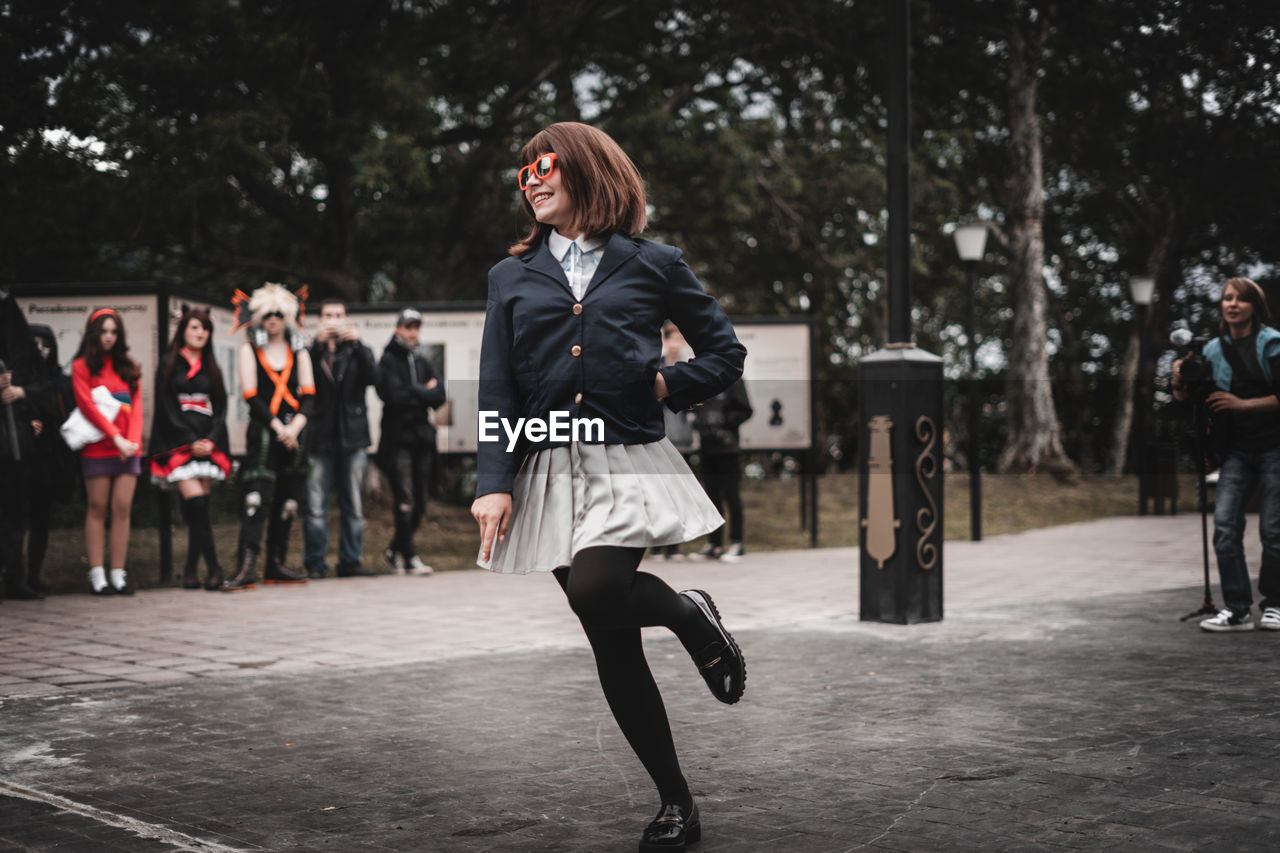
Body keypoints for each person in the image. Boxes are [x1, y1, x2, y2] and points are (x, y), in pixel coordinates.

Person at [471, 121, 748, 851]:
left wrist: (666, 381)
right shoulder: (509, 275)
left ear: (588, 171)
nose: (531, 178)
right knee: (610, 636)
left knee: (598, 589)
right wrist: (493, 481)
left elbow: (725, 352)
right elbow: (497, 385)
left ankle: (689, 615)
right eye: (523, 171)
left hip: (628, 458)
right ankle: (676, 802)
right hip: (546, 465)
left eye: (546, 165)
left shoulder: (654, 262)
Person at [1173, 276, 1280, 632]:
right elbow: (1189, 399)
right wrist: (1178, 380)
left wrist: (1242, 404)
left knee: (1273, 530)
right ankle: (1236, 609)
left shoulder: (1272, 344)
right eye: (1227, 298)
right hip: (1235, 451)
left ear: (1255, 306)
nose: (1232, 304)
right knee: (1225, 528)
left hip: (1274, 448)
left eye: (1241, 299)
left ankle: (1275, 604)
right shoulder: (1211, 350)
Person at [222, 283, 315, 591]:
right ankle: (246, 566)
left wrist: (295, 428)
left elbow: (310, 394)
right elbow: (251, 395)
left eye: (279, 313)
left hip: (294, 434)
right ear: (259, 316)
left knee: (288, 501)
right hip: (264, 433)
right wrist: (278, 428)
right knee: (255, 499)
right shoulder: (250, 349)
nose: (273, 319)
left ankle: (275, 563)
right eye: (268, 314)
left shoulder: (298, 351)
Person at [149, 308, 232, 590]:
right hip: (179, 443)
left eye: (205, 329)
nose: (200, 333)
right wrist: (188, 440)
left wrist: (210, 439)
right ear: (183, 329)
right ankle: (214, 567)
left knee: (200, 510)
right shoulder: (169, 363)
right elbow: (166, 406)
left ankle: (189, 571)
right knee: (196, 504)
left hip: (207, 442)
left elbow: (221, 406)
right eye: (195, 327)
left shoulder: (211, 365)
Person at [304, 298, 379, 579]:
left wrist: (358, 344)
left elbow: (375, 378)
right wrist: (315, 346)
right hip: (319, 438)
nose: (333, 320)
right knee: (314, 506)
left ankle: (350, 562)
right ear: (320, 320)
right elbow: (299, 380)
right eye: (328, 315)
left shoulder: (359, 350)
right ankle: (315, 563)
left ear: (347, 319)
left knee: (354, 506)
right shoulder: (312, 351)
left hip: (353, 439)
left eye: (338, 315)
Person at [70, 308, 143, 596]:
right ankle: (98, 575)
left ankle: (118, 574)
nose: (109, 337)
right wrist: (116, 439)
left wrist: (132, 442)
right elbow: (87, 407)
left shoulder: (129, 367)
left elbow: (136, 409)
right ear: (93, 334)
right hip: (98, 449)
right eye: (104, 331)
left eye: (114, 331)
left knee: (122, 508)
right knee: (98, 507)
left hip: (128, 449)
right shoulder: (81, 367)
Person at [375, 308, 445, 575]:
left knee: (421, 501)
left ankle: (394, 551)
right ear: (398, 329)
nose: (412, 332)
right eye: (408, 326)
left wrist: (418, 392)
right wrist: (422, 391)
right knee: (405, 499)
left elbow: (439, 395)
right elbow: (392, 395)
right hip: (398, 441)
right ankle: (410, 556)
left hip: (422, 440)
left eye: (416, 327)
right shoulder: (387, 360)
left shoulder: (424, 361)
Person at [0, 291, 55, 601]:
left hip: (15, 443)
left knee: (15, 512)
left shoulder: (21, 350)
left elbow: (44, 391)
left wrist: (20, 393)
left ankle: (15, 577)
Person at [25, 324, 78, 596]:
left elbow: (66, 415)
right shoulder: (19, 378)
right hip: (20, 459)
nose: (41, 350)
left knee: (41, 519)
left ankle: (33, 575)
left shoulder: (60, 380)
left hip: (48, 460)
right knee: (14, 518)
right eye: (35, 344)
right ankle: (13, 575)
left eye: (45, 344)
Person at [690, 375, 753, 562]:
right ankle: (715, 544)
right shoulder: (704, 379)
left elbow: (746, 410)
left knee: (731, 496)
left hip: (728, 448)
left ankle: (737, 543)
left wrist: (725, 420)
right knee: (711, 497)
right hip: (707, 448)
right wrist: (697, 420)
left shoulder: (733, 379)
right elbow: (695, 407)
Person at [652, 322, 697, 560]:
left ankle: (675, 546)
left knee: (678, 493)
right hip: (660, 436)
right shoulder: (655, 366)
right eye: (673, 337)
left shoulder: (688, 368)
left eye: (681, 338)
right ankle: (658, 545)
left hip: (684, 439)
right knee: (659, 493)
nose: (676, 343)